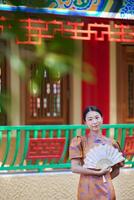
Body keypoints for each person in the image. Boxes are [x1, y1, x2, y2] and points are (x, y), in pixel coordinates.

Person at [69, 106, 124, 200]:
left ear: (102, 119)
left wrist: (104, 179)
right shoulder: (79, 141)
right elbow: (75, 168)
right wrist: (96, 174)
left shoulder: (112, 143)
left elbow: (116, 170)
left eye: (97, 118)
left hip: (107, 190)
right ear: (85, 122)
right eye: (90, 119)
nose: (94, 122)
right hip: (87, 189)